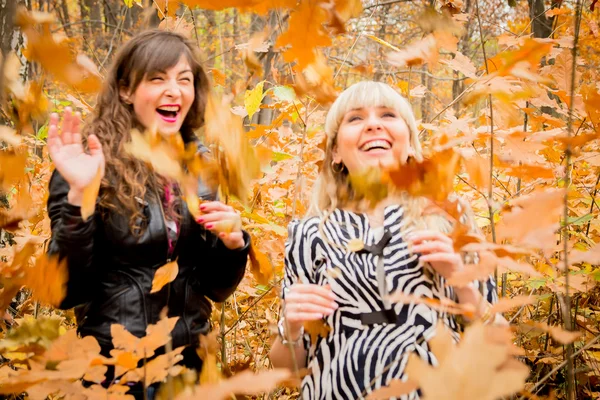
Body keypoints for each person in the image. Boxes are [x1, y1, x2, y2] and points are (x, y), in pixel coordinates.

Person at [46, 30, 250, 394]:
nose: (174, 90)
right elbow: (63, 292)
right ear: (125, 90)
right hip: (116, 369)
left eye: (184, 80)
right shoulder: (89, 162)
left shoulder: (199, 164)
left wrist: (233, 245)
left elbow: (214, 289)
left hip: (191, 366)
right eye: (158, 78)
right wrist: (79, 196)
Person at [269, 81, 498, 399]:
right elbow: (287, 370)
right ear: (335, 152)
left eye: (388, 115)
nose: (373, 124)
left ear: (410, 145)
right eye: (355, 118)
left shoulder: (450, 217)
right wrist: (291, 328)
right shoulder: (308, 235)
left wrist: (461, 282)